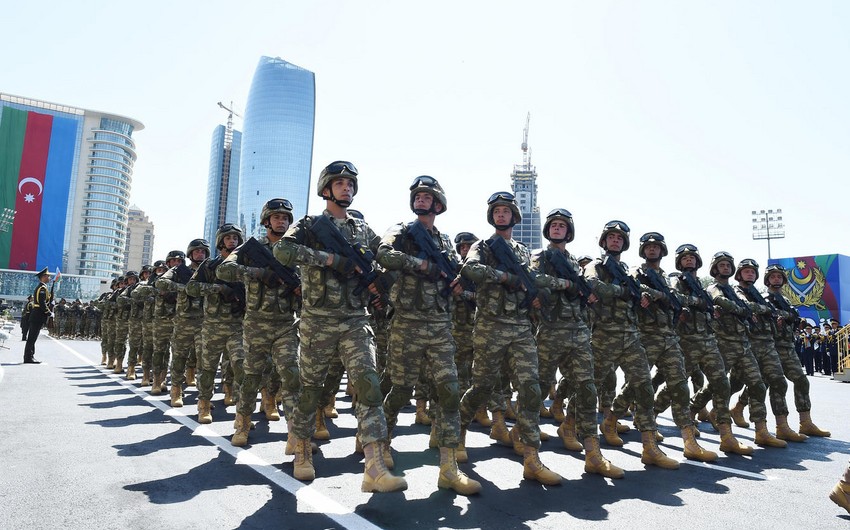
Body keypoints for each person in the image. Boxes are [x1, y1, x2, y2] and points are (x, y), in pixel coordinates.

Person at [274, 160, 407, 492]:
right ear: (326, 189)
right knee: (310, 390)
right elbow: (282, 251)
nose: (346, 188)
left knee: (369, 385)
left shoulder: (361, 228)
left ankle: (374, 463)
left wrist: (396, 264)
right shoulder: (308, 224)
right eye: (340, 183)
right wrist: (330, 259)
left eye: (350, 184)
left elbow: (384, 253)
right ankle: (302, 449)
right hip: (318, 320)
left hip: (354, 318)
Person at [377, 175, 480, 495]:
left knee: (449, 390)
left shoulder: (446, 241)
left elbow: (455, 273)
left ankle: (449, 466)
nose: (421, 200)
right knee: (399, 388)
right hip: (408, 322)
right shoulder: (402, 232)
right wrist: (420, 265)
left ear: (438, 204)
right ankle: (381, 444)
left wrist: (459, 283)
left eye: (427, 196)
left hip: (439, 326)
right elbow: (383, 254)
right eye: (418, 196)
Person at [457, 191, 565, 485]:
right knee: (481, 387)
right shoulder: (483, 246)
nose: (501, 215)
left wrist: (535, 298)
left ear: (514, 216)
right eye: (497, 211)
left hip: (519, 326)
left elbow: (531, 280)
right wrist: (504, 277)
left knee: (530, 387)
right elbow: (470, 269)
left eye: (506, 211)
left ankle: (531, 457)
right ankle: (457, 434)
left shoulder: (523, 251)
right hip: (491, 325)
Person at [531, 208, 624, 478]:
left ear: (569, 232)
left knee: (587, 388)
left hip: (578, 332)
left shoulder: (574, 262)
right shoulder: (540, 256)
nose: (558, 229)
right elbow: (535, 279)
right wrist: (566, 285)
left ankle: (592, 453)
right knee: (536, 389)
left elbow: (583, 289)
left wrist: (585, 297)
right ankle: (527, 445)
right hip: (550, 331)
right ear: (548, 230)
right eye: (554, 225)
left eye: (562, 226)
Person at [613, 232, 716, 462]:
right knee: (637, 387)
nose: (652, 250)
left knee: (680, 386)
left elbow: (672, 299)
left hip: (668, 337)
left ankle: (689, 441)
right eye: (648, 247)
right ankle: (611, 419)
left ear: (662, 251)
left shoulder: (665, 278)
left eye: (656, 247)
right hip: (646, 336)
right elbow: (634, 291)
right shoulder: (634, 272)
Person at [584, 221, 677, 469]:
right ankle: (572, 429)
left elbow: (634, 296)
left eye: (619, 238)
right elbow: (594, 286)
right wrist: (625, 292)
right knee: (589, 387)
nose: (615, 241)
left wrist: (643, 297)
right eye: (611, 238)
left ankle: (649, 447)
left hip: (631, 336)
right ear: (604, 242)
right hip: (604, 336)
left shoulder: (626, 271)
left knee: (644, 386)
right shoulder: (596, 266)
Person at [219, 203, 302, 445]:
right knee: (250, 377)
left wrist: (301, 290)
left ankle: (296, 433)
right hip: (256, 324)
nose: (281, 222)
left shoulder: (294, 250)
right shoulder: (249, 249)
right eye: (276, 217)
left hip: (286, 323)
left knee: (291, 375)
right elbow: (225, 271)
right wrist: (257, 273)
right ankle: (242, 423)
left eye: (285, 218)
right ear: (267, 221)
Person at [661, 244, 752, 454]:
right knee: (676, 386)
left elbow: (707, 306)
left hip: (707, 340)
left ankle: (726, 435)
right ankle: (649, 415)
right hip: (686, 341)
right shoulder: (678, 281)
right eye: (685, 259)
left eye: (692, 258)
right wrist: (697, 302)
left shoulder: (700, 285)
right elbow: (674, 298)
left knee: (721, 384)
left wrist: (710, 312)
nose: (689, 261)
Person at [705, 252, 785, 448]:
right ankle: (701, 418)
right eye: (721, 265)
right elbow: (727, 304)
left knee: (757, 385)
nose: (725, 268)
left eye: (727, 265)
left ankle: (762, 431)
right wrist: (746, 310)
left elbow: (761, 310)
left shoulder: (744, 293)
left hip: (744, 343)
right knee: (720, 386)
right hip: (724, 343)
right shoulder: (718, 289)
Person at [188, 223, 248, 426]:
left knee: (241, 366)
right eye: (228, 238)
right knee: (207, 368)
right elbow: (192, 288)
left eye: (235, 238)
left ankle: (242, 412)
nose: (232, 241)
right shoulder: (209, 266)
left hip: (238, 326)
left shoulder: (245, 266)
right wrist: (218, 289)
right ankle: (204, 403)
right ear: (220, 241)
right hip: (213, 326)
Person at [762, 264, 830, 437]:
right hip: (771, 347)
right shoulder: (762, 299)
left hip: (788, 347)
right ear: (767, 280)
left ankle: (805, 422)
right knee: (770, 385)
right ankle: (781, 426)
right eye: (773, 277)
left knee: (801, 380)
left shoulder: (785, 300)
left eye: (779, 277)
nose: (776, 279)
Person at [157, 240, 209, 407]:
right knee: (179, 357)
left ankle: (204, 396)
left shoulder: (210, 270)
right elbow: (161, 283)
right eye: (197, 251)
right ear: (191, 254)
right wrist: (183, 288)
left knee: (204, 361)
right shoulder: (180, 270)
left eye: (203, 251)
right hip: (184, 322)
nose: (200, 254)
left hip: (204, 322)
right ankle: (176, 390)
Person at [23, 268, 51, 364]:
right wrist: (48, 312)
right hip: (37, 315)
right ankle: (28, 357)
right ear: (43, 277)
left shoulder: (43, 287)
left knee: (33, 337)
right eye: (47, 276)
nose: (49, 277)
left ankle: (30, 356)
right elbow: (41, 302)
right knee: (32, 337)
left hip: (37, 315)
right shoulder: (42, 288)